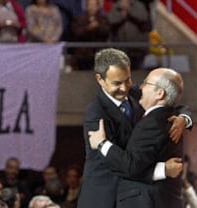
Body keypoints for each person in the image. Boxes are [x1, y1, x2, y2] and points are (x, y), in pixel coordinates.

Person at [77, 48, 192, 208]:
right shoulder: (96, 115)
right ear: (100, 79)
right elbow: (120, 164)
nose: (125, 88)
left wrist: (183, 119)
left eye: (128, 80)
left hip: (132, 194)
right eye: (117, 83)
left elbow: (167, 100)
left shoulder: (132, 92)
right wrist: (162, 170)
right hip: (104, 197)